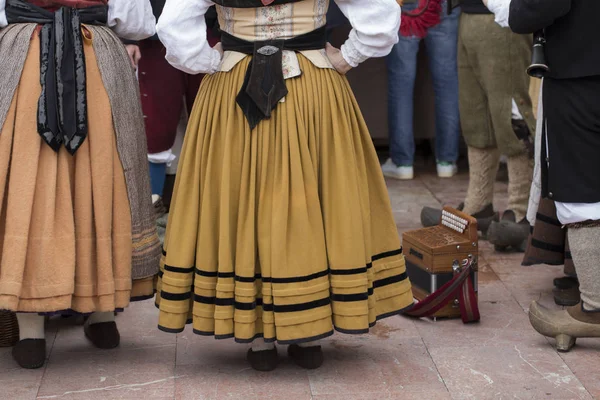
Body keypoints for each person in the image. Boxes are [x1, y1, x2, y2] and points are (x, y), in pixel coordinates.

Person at [155, 0, 413, 372]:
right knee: (308, 199)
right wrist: (347, 57)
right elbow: (381, 18)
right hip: (312, 86)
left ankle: (258, 334)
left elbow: (174, 25)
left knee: (245, 200)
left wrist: (211, 63)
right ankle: (307, 333)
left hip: (234, 86)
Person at [0, 0, 160, 368]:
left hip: (23, 58)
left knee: (28, 184)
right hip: (97, 60)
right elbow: (138, 22)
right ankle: (103, 320)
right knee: (104, 181)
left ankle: (30, 336)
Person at [486, 0, 600, 351]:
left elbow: (536, 9)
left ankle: (594, 308)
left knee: (581, 193)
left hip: (582, 76)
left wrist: (505, 6)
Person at [420, 0, 535, 252]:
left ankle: (522, 211)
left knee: (511, 115)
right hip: (468, 13)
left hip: (504, 16)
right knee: (476, 117)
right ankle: (478, 205)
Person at [123, 2, 221, 216]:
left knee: (215, 127)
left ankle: (211, 210)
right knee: (156, 126)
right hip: (154, 38)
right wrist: (129, 37)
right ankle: (152, 209)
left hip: (216, 32)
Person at [382, 0, 461, 180]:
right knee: (447, 83)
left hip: (404, 4)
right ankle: (446, 162)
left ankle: (402, 163)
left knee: (400, 83)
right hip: (444, 4)